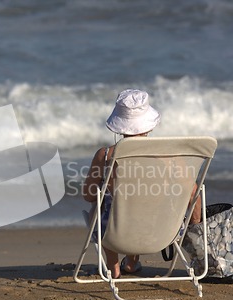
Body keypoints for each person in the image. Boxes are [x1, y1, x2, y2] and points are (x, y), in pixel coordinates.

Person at [82, 89, 202, 279]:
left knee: (101, 208)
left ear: (119, 126)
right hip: (163, 231)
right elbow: (193, 192)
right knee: (145, 204)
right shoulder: (170, 156)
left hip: (116, 234)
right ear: (148, 126)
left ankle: (114, 267)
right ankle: (131, 262)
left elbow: (88, 195)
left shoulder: (105, 156)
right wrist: (195, 224)